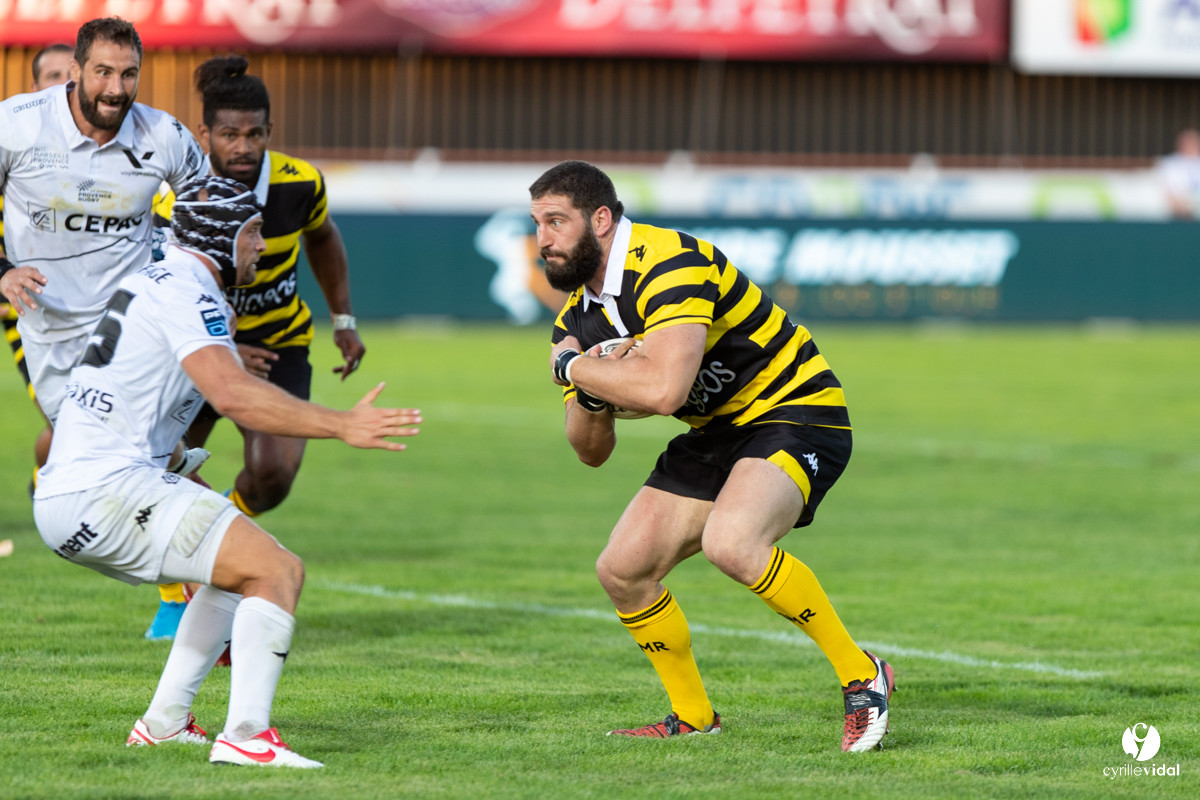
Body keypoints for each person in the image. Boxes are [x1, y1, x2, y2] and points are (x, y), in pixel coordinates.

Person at [33, 175, 421, 768]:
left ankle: (163, 723)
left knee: (235, 573)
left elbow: (149, 403)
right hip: (104, 490)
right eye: (253, 232)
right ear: (220, 237)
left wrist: (183, 460)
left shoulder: (156, 282)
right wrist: (343, 424)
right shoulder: (190, 293)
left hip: (80, 492)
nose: (261, 247)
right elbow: (233, 396)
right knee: (277, 570)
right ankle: (246, 736)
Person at [533, 161, 894, 752]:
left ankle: (862, 675)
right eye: (536, 224)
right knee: (622, 570)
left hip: (795, 408)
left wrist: (574, 367)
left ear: (601, 220)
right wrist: (591, 387)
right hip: (719, 430)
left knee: (734, 543)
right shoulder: (576, 316)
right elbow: (590, 449)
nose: (543, 239)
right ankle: (693, 716)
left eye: (555, 221)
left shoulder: (671, 262)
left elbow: (664, 392)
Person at [145, 54, 366, 642]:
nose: (243, 146)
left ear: (270, 132)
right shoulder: (178, 200)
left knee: (273, 475)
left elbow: (324, 237)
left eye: (255, 134)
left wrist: (342, 317)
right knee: (163, 466)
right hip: (197, 347)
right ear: (204, 135)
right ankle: (177, 595)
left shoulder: (299, 184)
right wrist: (228, 347)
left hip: (280, 342)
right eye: (229, 134)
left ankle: (211, 544)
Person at [0, 43, 79, 488]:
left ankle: (45, 480)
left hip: (45, 306)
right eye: (53, 76)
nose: (64, 85)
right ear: (34, 88)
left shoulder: (94, 159)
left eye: (71, 75)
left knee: (77, 416)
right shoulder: (11, 141)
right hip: (15, 299)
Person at [1157, 128, 1200, 219]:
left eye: (1193, 142)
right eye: (1186, 142)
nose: (1190, 145)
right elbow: (1167, 189)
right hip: (1178, 211)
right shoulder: (1169, 163)